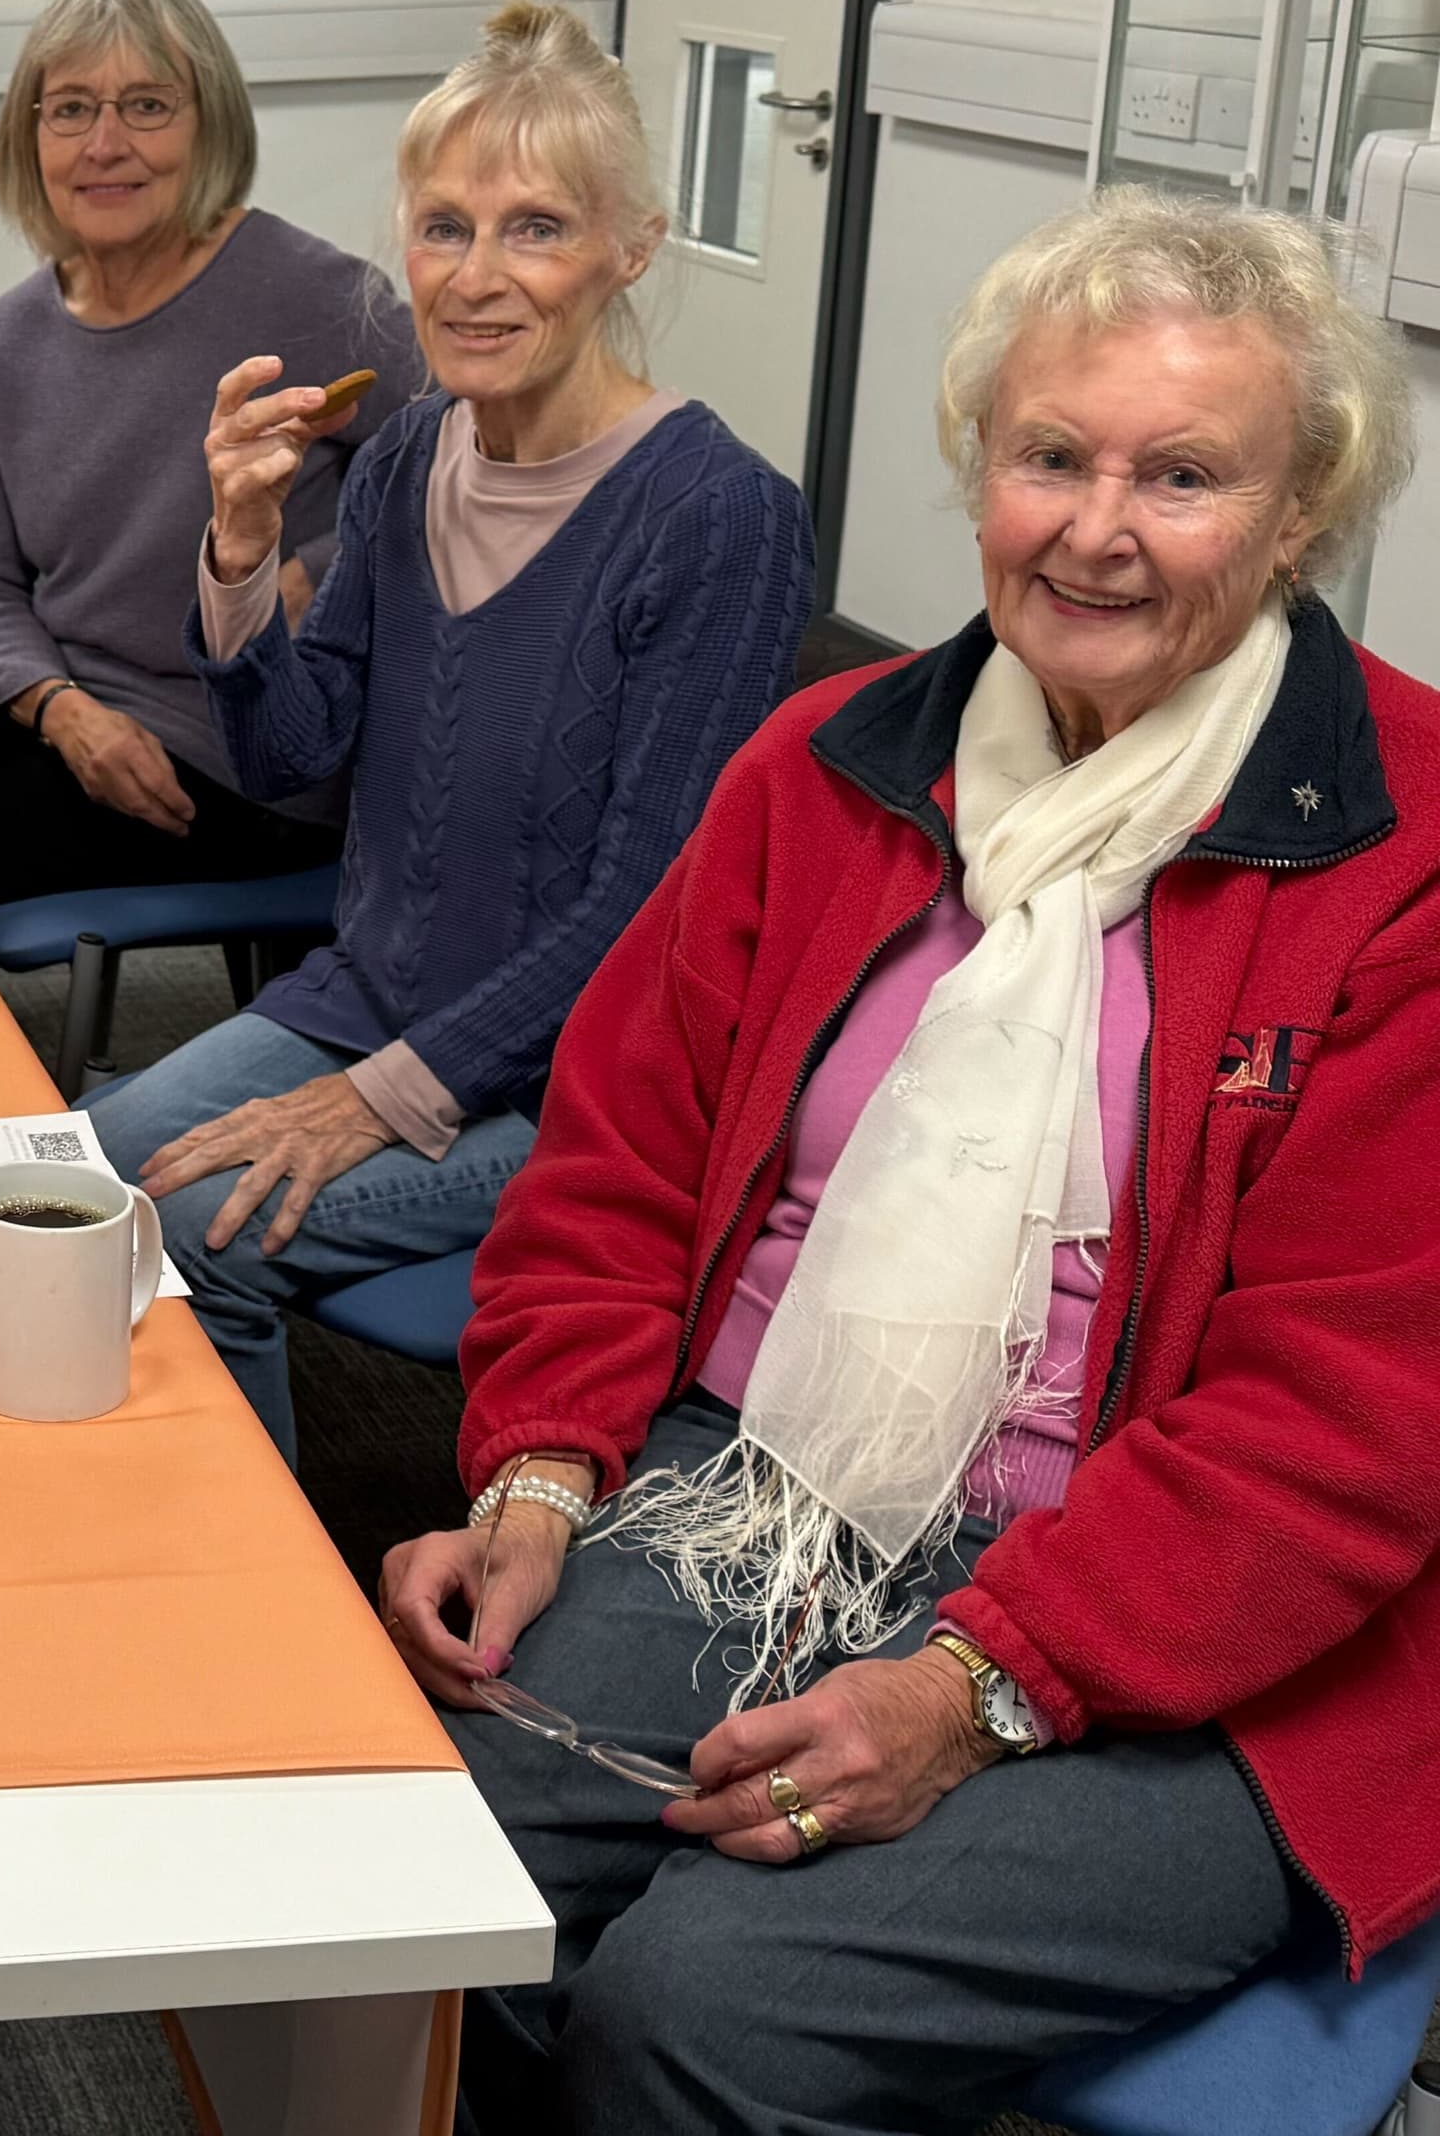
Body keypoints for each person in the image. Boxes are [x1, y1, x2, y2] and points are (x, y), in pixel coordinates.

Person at [384, 190, 1440, 2133]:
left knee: (708, 2006)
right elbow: (615, 1169)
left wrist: (977, 1682)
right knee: (419, 1854)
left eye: (1185, 476)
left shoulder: (1409, 857)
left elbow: (1347, 1427)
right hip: (771, 1481)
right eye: (1051, 455)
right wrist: (541, 1474)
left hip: (1219, 1628)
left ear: (1301, 521)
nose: (1096, 528)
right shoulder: (829, 767)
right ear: (981, 468)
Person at [82, 4, 810, 1459]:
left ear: (630, 248)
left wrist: (375, 1103)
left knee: (192, 1227)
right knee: (73, 1179)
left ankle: (260, 1623)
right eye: (443, 229)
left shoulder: (720, 515)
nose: (475, 280)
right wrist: (236, 549)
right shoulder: (413, 450)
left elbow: (643, 912)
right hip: (373, 997)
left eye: (534, 230)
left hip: (585, 1086)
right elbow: (295, 750)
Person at [0, 0, 427, 917]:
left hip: (243, 756)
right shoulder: (15, 334)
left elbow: (472, 459)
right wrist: (62, 712)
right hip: (70, 712)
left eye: (147, 105)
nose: (106, 144)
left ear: (212, 125)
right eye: (70, 109)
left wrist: (322, 566)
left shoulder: (307, 294)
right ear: (31, 139)